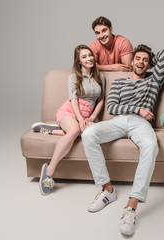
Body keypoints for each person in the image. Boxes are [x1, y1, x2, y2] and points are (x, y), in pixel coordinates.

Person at [81, 45, 164, 235]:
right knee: (88, 134)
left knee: (151, 146)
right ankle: (107, 190)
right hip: (119, 121)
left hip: (141, 124)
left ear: (149, 64)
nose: (141, 62)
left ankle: (131, 206)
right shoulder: (119, 82)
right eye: (138, 58)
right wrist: (137, 109)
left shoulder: (154, 81)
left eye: (145, 60)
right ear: (132, 61)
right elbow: (112, 108)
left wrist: (148, 61)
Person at [32, 45, 106, 196]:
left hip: (86, 116)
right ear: (79, 61)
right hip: (69, 111)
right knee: (74, 130)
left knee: (92, 133)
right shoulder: (73, 76)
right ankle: (49, 171)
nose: (89, 58)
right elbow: (73, 101)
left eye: (90, 55)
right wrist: (80, 119)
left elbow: (100, 100)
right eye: (84, 57)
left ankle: (55, 131)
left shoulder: (100, 77)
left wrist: (91, 117)